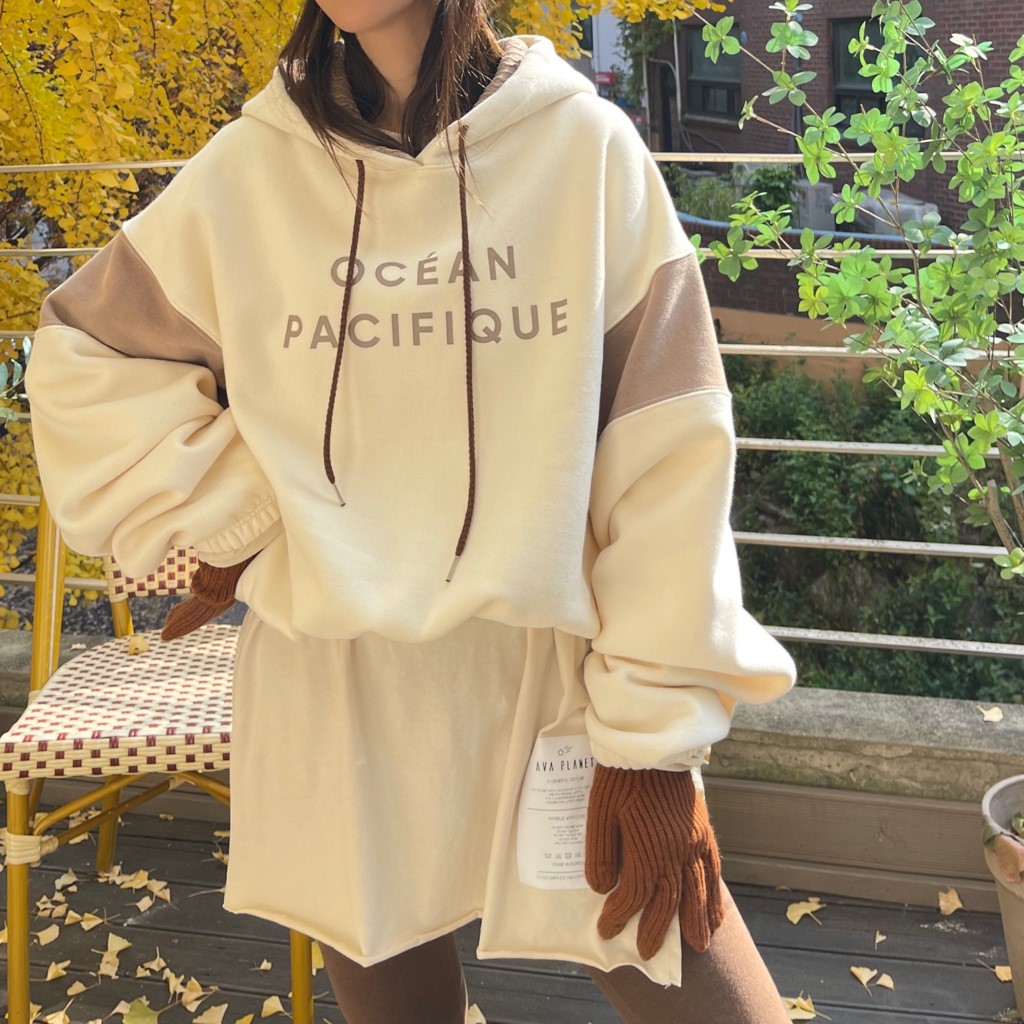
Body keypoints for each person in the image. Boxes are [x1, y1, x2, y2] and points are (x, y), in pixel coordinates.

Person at [26, 1, 798, 1021]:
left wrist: (653, 741)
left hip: (551, 678)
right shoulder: (253, 169)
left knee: (695, 979)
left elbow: (668, 456)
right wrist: (240, 516)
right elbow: (82, 361)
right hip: (336, 684)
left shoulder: (583, 150)